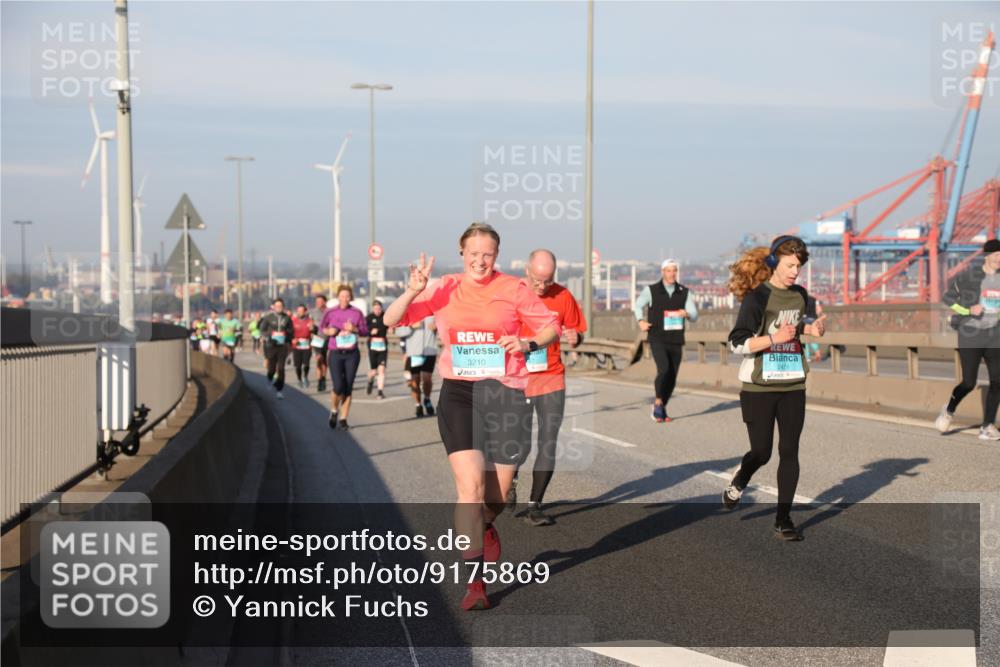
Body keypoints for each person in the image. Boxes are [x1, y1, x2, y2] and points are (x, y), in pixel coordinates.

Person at [383, 222, 559, 611]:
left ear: (496, 256)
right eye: (473, 253)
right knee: (469, 491)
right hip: (460, 394)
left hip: (506, 396)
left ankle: (488, 524)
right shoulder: (445, 288)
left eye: (488, 254)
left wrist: (528, 341)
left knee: (494, 498)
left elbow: (551, 326)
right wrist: (413, 289)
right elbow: (391, 320)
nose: (480, 260)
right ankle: (475, 584)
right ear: (461, 253)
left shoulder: (513, 289)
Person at [723, 236, 826, 542]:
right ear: (774, 264)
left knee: (789, 450)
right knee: (762, 452)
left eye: (799, 266)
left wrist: (813, 329)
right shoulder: (757, 298)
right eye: (790, 265)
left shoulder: (800, 295)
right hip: (759, 386)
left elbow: (795, 328)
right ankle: (741, 480)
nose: (796, 272)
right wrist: (773, 339)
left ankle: (783, 519)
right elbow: (736, 342)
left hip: (793, 382)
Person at [513, 249, 587, 526]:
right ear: (526, 270)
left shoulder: (563, 296)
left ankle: (535, 505)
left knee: (548, 440)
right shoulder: (513, 292)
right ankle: (511, 479)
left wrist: (575, 338)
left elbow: (577, 332)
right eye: (536, 280)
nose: (542, 286)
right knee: (518, 443)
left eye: (547, 280)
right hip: (517, 378)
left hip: (552, 376)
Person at [936, 239, 1000, 440]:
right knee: (969, 382)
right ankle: (949, 409)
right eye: (997, 255)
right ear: (987, 255)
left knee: (998, 381)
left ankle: (987, 425)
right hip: (970, 334)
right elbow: (947, 299)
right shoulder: (969, 276)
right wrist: (968, 310)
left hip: (994, 335)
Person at [633, 258, 698, 422]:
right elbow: (638, 305)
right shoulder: (652, 290)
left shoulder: (684, 292)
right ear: (663, 272)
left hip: (676, 339)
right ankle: (657, 402)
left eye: (674, 270)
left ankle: (662, 406)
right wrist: (641, 321)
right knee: (664, 369)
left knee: (673, 376)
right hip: (657, 337)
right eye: (668, 270)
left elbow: (694, 314)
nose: (671, 274)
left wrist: (687, 314)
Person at [320, 285, 368, 430]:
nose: (345, 298)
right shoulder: (331, 312)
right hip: (335, 352)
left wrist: (354, 329)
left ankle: (343, 419)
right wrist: (329, 331)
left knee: (348, 388)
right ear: (338, 297)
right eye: (342, 296)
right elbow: (322, 328)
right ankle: (334, 410)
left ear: (351, 297)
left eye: (347, 296)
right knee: (338, 386)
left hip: (352, 354)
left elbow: (365, 331)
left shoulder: (357, 312)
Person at [258, 299, 294, 400]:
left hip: (282, 346)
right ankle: (270, 378)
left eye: (281, 306)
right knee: (272, 368)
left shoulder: (287, 318)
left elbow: (291, 331)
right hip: (271, 346)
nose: (279, 307)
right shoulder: (268, 318)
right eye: (277, 306)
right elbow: (262, 330)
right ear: (273, 307)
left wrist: (287, 336)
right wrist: (269, 336)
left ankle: (279, 390)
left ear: (283, 307)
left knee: (281, 369)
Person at [404, 320, 439, 417]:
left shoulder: (433, 312)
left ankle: (427, 399)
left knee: (427, 379)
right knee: (415, 381)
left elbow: (446, 326)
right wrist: (410, 326)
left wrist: (438, 326)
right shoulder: (410, 311)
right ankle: (418, 404)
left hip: (430, 351)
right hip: (415, 353)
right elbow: (398, 331)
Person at [365, 300, 389, 399]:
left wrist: (391, 328)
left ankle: (380, 392)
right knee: (373, 372)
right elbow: (364, 329)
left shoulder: (385, 316)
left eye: (379, 309)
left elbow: (390, 324)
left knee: (382, 370)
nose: (377, 311)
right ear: (373, 309)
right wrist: (370, 331)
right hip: (372, 346)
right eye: (375, 309)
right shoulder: (369, 318)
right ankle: (370, 381)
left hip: (383, 346)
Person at [309, 295, 330, 393]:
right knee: (318, 358)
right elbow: (309, 323)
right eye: (317, 301)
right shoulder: (312, 312)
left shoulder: (329, 312)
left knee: (324, 361)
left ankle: (323, 379)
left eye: (320, 301)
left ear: (325, 302)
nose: (318, 303)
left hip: (328, 339)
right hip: (317, 338)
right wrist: (311, 327)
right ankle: (319, 380)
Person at [291, 304, 314, 388]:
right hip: (296, 345)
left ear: (305, 311)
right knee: (298, 365)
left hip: (307, 345)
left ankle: (305, 376)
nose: (300, 312)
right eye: (298, 311)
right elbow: (289, 332)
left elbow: (314, 331)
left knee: (306, 364)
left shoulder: (310, 321)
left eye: (302, 311)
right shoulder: (293, 320)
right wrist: (292, 339)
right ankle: (299, 379)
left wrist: (313, 329)